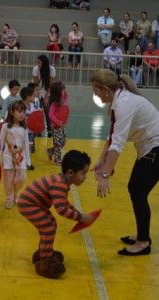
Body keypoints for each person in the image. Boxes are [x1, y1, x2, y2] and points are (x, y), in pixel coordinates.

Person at [90, 69, 159, 256]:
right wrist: (101, 160)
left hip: (155, 148)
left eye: (96, 91)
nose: (95, 95)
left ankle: (143, 242)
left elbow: (118, 144)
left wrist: (105, 175)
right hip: (149, 148)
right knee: (136, 190)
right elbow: (112, 135)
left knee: (138, 191)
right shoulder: (121, 100)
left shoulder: (124, 104)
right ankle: (142, 234)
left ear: (105, 89)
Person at [17, 150, 94, 278]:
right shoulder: (59, 184)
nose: (85, 177)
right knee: (48, 228)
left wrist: (77, 213)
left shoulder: (63, 181)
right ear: (70, 173)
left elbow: (64, 203)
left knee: (51, 224)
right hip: (28, 205)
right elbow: (61, 209)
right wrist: (80, 217)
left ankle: (44, 253)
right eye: (83, 173)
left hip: (34, 204)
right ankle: (45, 264)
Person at [0, 100, 31, 209]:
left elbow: (26, 144)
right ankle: (9, 198)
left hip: (21, 158)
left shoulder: (24, 128)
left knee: (22, 178)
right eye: (19, 111)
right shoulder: (6, 127)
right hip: (8, 158)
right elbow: (0, 143)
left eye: (24, 112)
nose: (22, 114)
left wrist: (28, 160)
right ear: (12, 112)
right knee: (8, 180)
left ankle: (16, 192)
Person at [32, 55, 56, 138]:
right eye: (37, 62)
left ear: (44, 63)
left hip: (47, 91)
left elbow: (50, 85)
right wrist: (37, 98)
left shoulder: (52, 70)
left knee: (47, 110)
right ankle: (37, 130)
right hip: (36, 91)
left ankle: (50, 130)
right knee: (37, 111)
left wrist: (46, 97)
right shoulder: (35, 69)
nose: (37, 64)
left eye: (39, 62)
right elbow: (36, 85)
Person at [47, 82, 69, 165]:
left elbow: (66, 96)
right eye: (62, 90)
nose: (63, 92)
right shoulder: (54, 104)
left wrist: (64, 87)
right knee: (58, 143)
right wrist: (57, 122)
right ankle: (57, 160)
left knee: (63, 142)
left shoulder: (62, 101)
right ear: (57, 92)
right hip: (56, 127)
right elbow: (50, 115)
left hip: (62, 126)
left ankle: (51, 150)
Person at [20, 86, 36, 170]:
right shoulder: (21, 106)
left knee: (29, 146)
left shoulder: (32, 106)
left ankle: (27, 162)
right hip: (23, 130)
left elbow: (35, 117)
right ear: (28, 96)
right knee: (22, 147)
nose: (35, 97)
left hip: (30, 131)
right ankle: (23, 162)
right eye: (33, 95)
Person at [27, 82, 42, 149]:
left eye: (38, 90)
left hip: (34, 120)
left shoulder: (36, 99)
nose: (38, 91)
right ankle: (30, 145)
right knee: (29, 133)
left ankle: (32, 144)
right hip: (29, 120)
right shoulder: (28, 100)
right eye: (36, 90)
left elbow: (37, 107)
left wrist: (40, 110)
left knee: (33, 133)